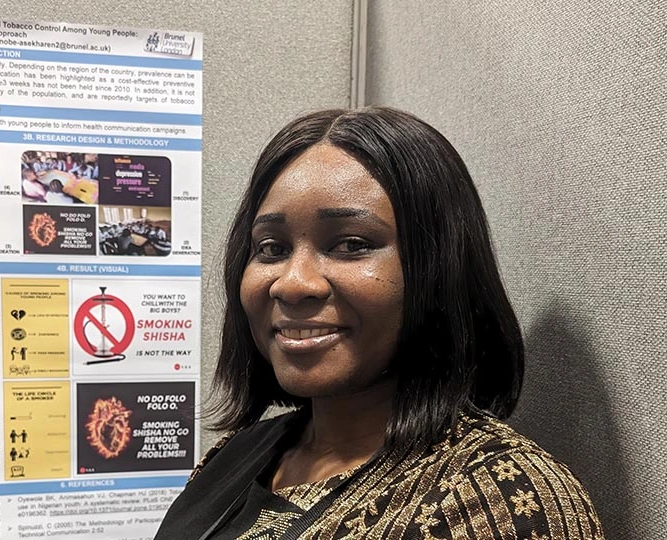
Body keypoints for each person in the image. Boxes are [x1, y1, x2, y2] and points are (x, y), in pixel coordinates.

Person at [155, 108, 604, 539]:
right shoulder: (242, 450)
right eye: (271, 249)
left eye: (351, 244)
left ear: (439, 269)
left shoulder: (500, 499)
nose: (292, 284)